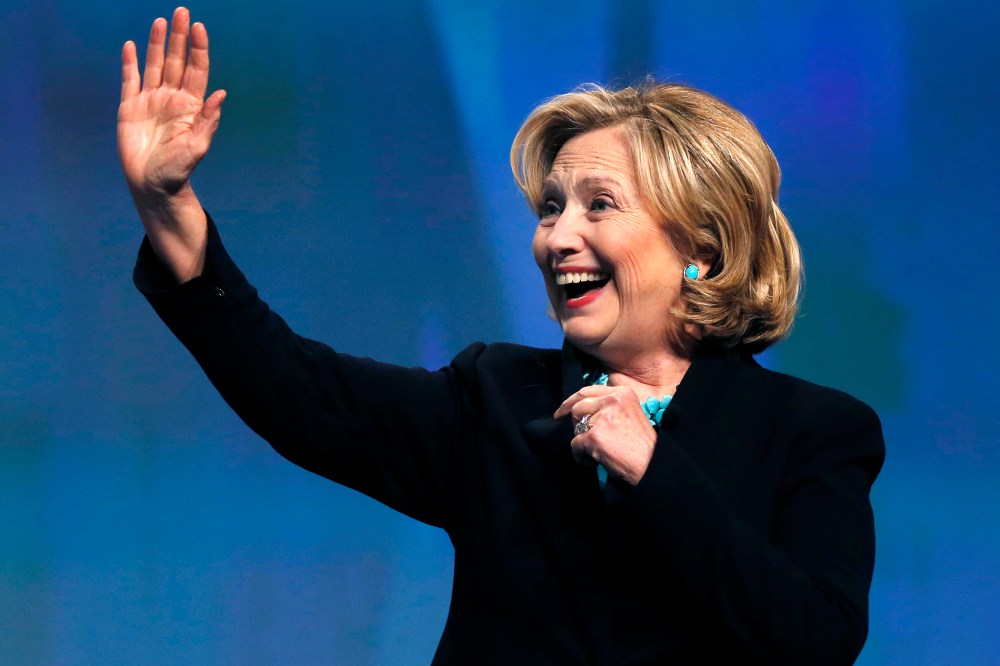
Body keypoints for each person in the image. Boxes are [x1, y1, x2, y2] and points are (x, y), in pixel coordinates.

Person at [120, 7, 885, 664]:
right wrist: (168, 213)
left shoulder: (812, 431)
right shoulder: (495, 398)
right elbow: (299, 390)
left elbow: (814, 638)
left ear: (702, 248)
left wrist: (654, 470)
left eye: (599, 205)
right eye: (552, 208)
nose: (557, 238)